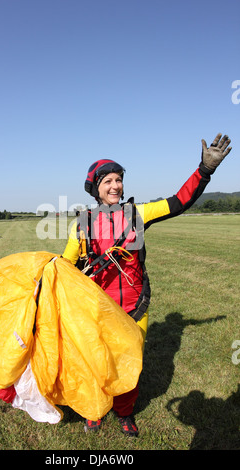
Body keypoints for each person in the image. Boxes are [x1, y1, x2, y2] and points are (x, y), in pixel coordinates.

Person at [62, 133, 232, 436]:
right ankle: (95, 409)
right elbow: (67, 268)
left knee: (130, 364)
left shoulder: (138, 213)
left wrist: (204, 171)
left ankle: (124, 411)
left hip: (134, 306)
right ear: (96, 189)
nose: (115, 186)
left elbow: (179, 202)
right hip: (97, 310)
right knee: (96, 362)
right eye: (108, 181)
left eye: (119, 179)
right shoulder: (82, 224)